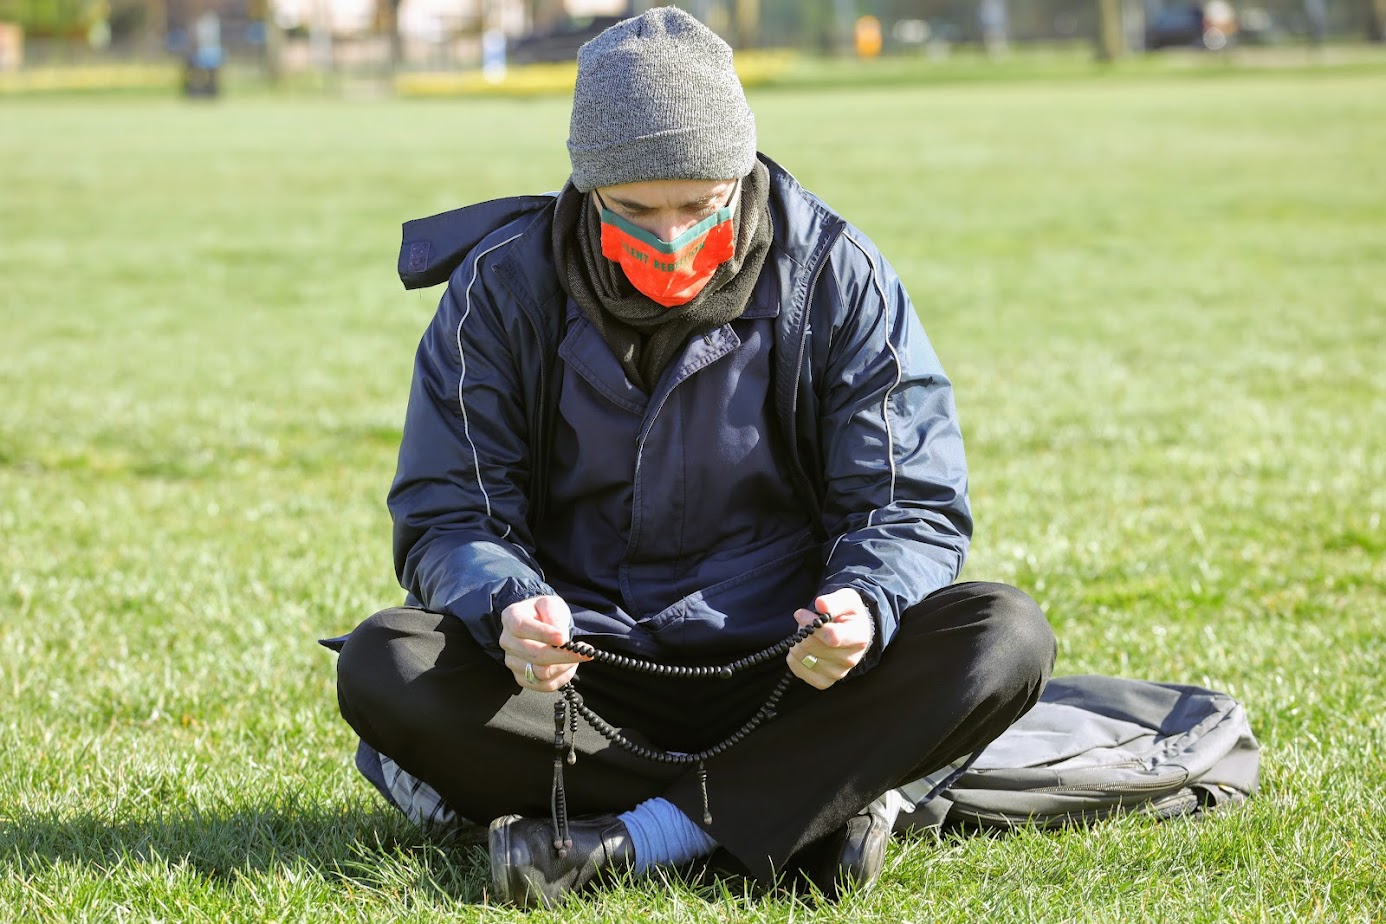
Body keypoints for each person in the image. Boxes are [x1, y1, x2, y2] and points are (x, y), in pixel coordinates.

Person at [334, 6, 1055, 908]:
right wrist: (508, 604)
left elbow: (908, 503)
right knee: (385, 660)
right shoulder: (498, 289)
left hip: (789, 672)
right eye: (635, 209)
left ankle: (632, 840)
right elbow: (449, 514)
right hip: (577, 680)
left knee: (1002, 637)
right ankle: (800, 812)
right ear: (587, 188)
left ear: (742, 174)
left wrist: (865, 606)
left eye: (699, 205)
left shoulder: (838, 274)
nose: (670, 236)